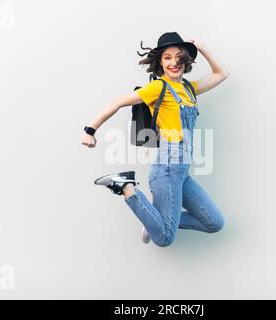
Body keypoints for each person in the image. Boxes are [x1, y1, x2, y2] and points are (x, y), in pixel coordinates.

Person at [81, 32, 229, 247]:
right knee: (165, 239)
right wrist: (90, 130)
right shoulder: (158, 87)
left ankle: (152, 219)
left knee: (214, 223)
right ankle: (126, 188)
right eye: (167, 57)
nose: (174, 62)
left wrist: (203, 48)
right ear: (160, 61)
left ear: (186, 60)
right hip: (167, 167)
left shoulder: (189, 88)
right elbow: (117, 102)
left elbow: (221, 74)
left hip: (182, 171)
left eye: (179, 56)